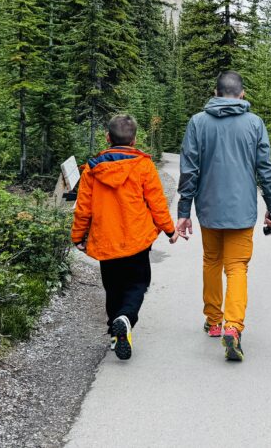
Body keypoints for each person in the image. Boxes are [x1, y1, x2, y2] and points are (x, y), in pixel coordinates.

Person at [176, 71, 271, 362]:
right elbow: (265, 169)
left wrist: (184, 212)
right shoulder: (255, 124)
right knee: (237, 268)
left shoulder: (198, 122)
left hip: (208, 209)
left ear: (215, 92)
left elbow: (189, 170)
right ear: (242, 94)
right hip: (242, 211)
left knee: (211, 261)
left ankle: (214, 321)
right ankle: (234, 327)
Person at [71, 114, 177, 361]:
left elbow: (83, 207)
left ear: (108, 138)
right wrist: (169, 229)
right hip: (137, 239)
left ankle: (114, 330)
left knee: (113, 287)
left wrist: (78, 236)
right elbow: (157, 203)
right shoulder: (143, 165)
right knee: (138, 284)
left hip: (105, 239)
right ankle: (126, 318)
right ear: (134, 139)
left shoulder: (93, 168)